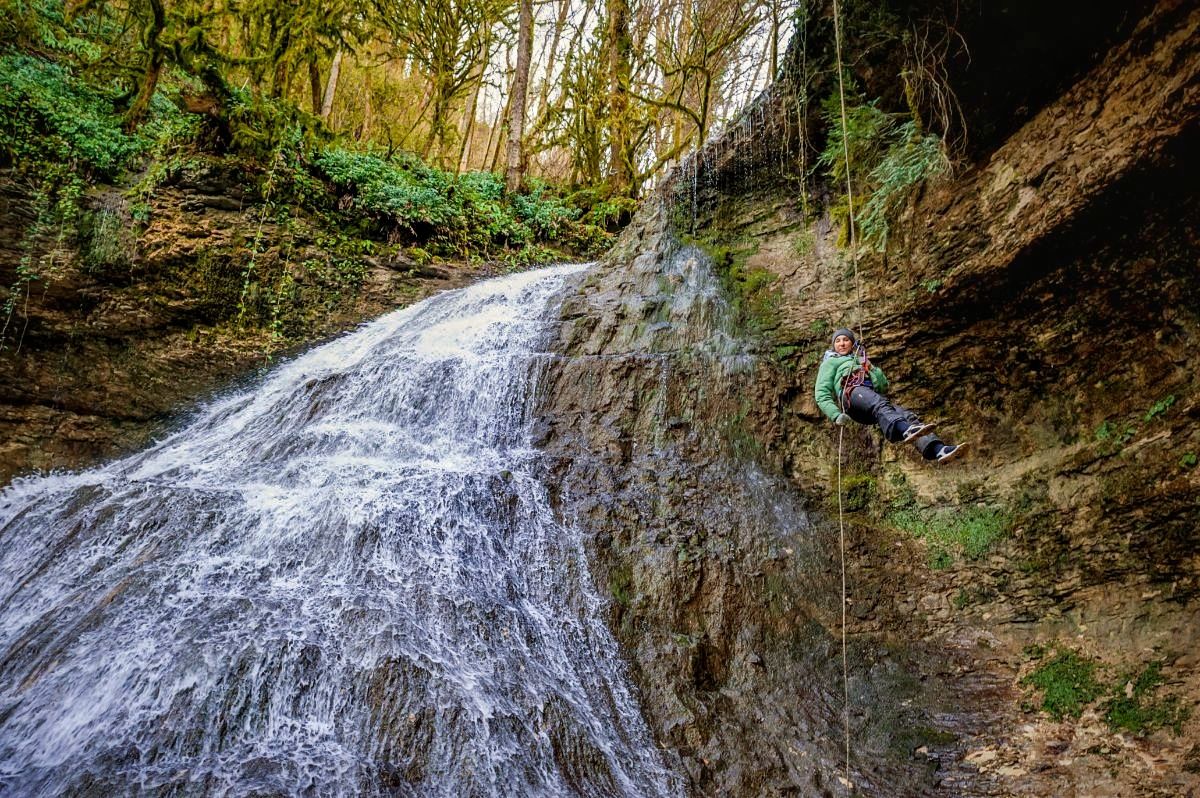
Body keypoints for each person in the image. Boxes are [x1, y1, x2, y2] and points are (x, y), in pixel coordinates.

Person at [814, 327, 964, 464]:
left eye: (846, 340)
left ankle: (938, 450)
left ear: (852, 343)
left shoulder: (860, 360)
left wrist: (871, 368)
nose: (842, 343)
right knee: (880, 403)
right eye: (838, 341)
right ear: (833, 345)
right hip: (851, 396)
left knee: (907, 416)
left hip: (870, 402)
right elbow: (821, 393)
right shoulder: (831, 362)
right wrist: (835, 414)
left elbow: (882, 386)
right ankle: (906, 429)